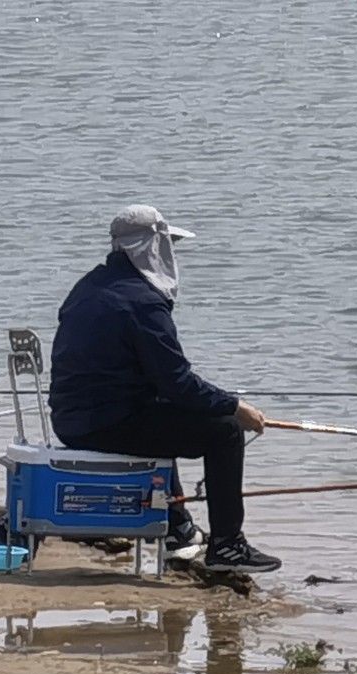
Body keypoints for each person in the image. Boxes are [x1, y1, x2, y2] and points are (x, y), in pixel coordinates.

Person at [48, 204, 279, 572]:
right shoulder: (142, 303)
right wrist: (236, 407)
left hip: (70, 419)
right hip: (104, 424)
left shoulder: (88, 286)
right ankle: (227, 545)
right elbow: (179, 383)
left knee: (165, 413)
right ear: (152, 248)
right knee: (225, 432)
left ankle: (177, 527)